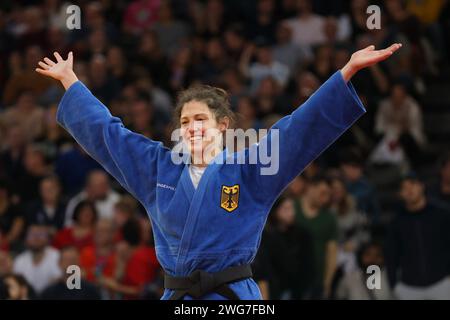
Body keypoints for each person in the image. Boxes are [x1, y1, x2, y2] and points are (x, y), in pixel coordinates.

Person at [35, 43, 402, 300]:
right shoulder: (158, 168)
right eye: (185, 121)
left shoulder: (251, 169)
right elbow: (109, 136)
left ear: (223, 126)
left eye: (201, 119)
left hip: (233, 296)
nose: (192, 127)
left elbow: (296, 131)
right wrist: (71, 82)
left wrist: (347, 71)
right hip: (178, 295)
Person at [386, 173, 450, 300]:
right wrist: (394, 285)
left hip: (442, 283)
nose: (409, 190)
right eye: (404, 188)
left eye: (412, 185)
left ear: (421, 186)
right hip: (409, 288)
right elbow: (391, 255)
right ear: (399, 194)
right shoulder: (396, 223)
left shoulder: (442, 214)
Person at [13, 224, 61, 295]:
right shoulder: (19, 260)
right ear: (25, 239)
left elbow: (61, 282)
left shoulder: (57, 256)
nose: (36, 238)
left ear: (48, 238)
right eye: (32, 235)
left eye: (41, 234)